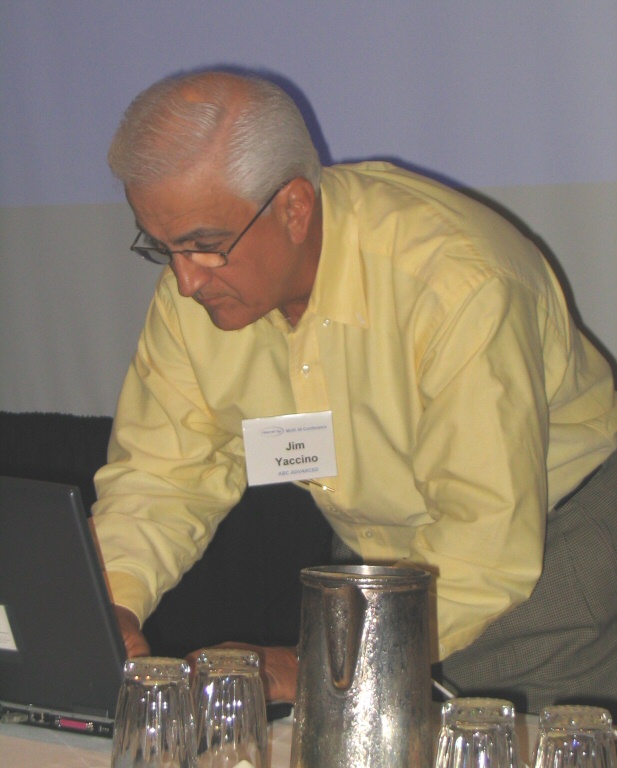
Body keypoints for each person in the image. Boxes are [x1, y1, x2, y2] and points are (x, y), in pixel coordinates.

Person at [92, 70, 617, 713]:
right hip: (375, 563)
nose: (185, 283)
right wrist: (112, 602)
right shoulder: (196, 296)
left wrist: (317, 664)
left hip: (547, 564)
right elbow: (162, 475)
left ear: (294, 209)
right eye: (162, 248)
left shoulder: (458, 285)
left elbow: (485, 546)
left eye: (205, 246)